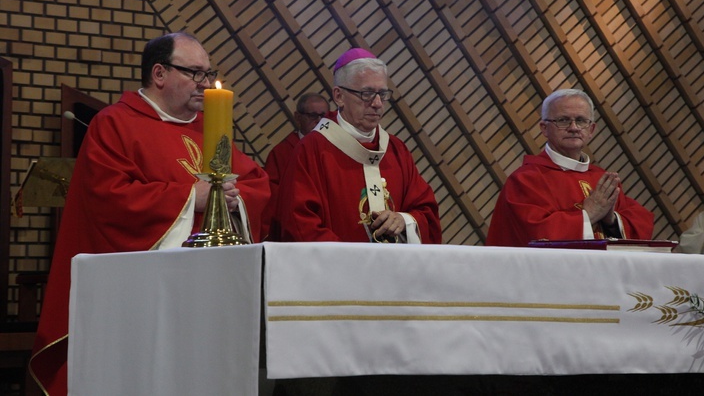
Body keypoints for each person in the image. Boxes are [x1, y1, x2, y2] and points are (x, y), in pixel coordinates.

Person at [29, 32, 271, 396]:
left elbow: (256, 182)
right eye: (195, 73)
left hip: (206, 289)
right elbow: (111, 200)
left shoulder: (209, 129)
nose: (205, 85)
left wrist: (230, 200)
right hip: (138, 295)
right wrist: (193, 197)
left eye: (208, 74)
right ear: (159, 74)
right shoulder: (115, 124)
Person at [277, 48, 442, 244]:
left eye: (382, 93)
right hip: (339, 272)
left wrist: (403, 220)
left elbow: (426, 212)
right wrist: (354, 262)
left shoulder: (396, 150)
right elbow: (298, 224)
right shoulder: (313, 149)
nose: (377, 103)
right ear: (339, 96)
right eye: (367, 94)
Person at [486, 89, 653, 246]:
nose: (573, 128)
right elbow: (536, 234)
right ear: (544, 128)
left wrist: (611, 220)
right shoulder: (526, 179)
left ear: (591, 130)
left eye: (580, 121)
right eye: (563, 120)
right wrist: (588, 215)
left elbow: (640, 222)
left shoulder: (601, 178)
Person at [262, 93, 330, 240]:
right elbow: (272, 200)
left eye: (323, 116)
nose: (319, 121)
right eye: (312, 116)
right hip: (298, 228)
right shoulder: (281, 153)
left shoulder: (334, 150)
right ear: (298, 117)